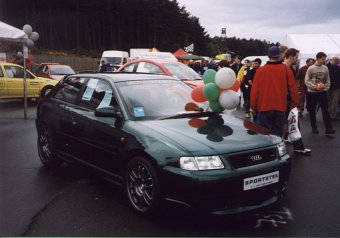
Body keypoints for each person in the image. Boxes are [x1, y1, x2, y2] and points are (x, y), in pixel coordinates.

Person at [250, 46, 299, 138]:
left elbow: (255, 90)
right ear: (280, 55)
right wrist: (295, 103)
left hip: (264, 107)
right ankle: (277, 151)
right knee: (277, 134)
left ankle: (265, 152)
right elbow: (293, 88)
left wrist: (253, 107)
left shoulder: (260, 70)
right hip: (280, 107)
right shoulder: (286, 69)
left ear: (268, 56)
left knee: (263, 134)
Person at [283, 48, 311, 155]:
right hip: (286, 101)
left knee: (292, 123)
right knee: (291, 123)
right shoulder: (284, 68)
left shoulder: (291, 68)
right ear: (292, 56)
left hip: (290, 100)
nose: (297, 58)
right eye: (297, 56)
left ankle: (297, 146)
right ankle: (297, 147)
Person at [305, 52, 335, 134]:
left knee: (325, 110)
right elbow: (306, 81)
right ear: (318, 58)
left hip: (322, 92)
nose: (324, 61)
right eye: (323, 59)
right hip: (312, 93)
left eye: (325, 59)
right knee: (312, 110)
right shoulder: (311, 68)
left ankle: (328, 128)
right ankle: (314, 127)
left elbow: (328, 80)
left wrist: (325, 87)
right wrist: (315, 87)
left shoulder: (325, 68)